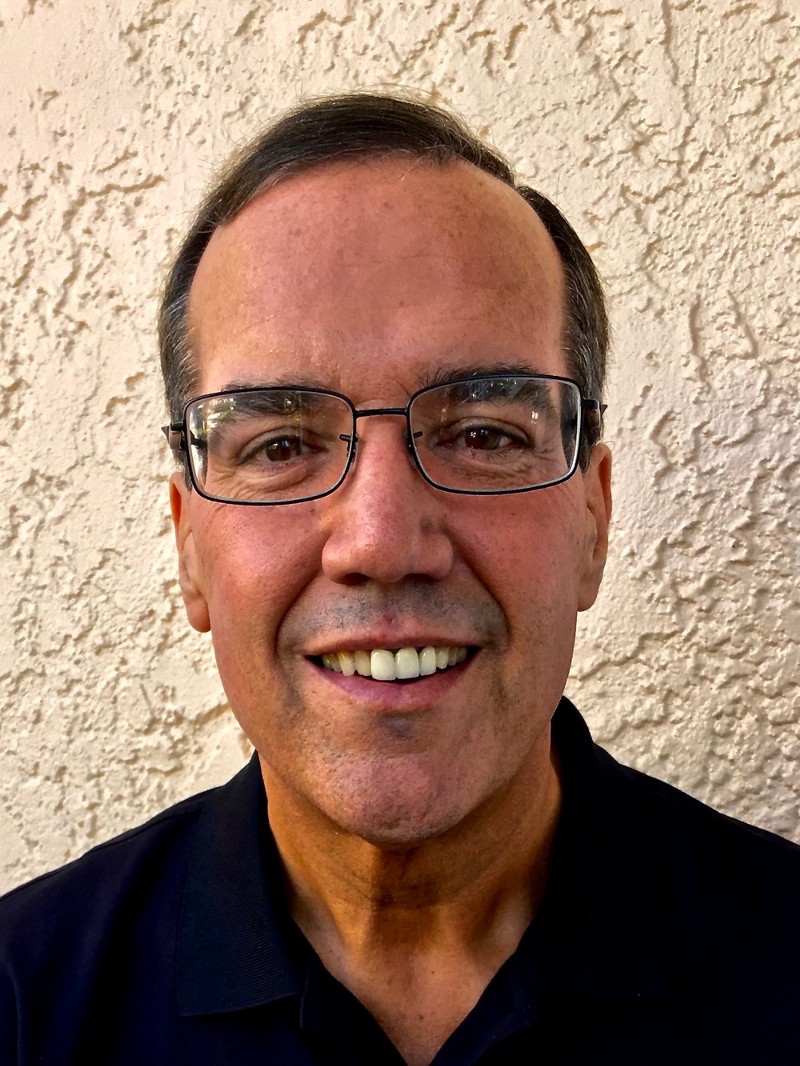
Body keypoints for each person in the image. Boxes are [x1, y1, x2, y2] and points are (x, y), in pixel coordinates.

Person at [1, 92, 798, 1066]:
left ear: (592, 520)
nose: (380, 541)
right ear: (189, 546)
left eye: (482, 435)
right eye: (281, 444)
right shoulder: (23, 1005)